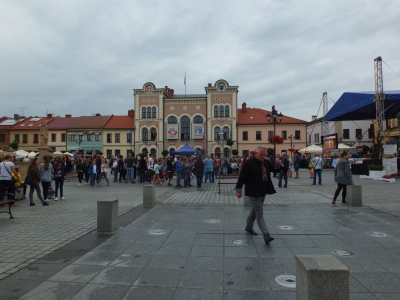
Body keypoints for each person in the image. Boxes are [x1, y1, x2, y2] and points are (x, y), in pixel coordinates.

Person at [235, 145, 276, 245]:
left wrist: (279, 165)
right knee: (259, 212)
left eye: (264, 154)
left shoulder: (266, 162)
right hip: (253, 191)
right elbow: (242, 176)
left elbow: (275, 170)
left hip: (263, 190)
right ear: (255, 153)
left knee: (255, 209)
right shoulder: (249, 163)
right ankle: (266, 235)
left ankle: (249, 227)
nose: (263, 156)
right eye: (261, 154)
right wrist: (239, 189)